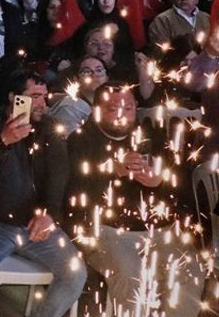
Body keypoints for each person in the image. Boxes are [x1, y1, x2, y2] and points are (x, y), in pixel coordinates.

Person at [65, 84, 204, 315]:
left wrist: (160, 181)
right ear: (97, 110)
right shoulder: (81, 140)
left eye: (128, 108)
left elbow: (182, 186)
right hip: (107, 230)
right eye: (113, 108)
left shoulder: (151, 137)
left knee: (189, 270)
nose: (122, 115)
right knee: (133, 277)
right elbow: (77, 194)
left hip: (158, 230)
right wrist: (114, 170)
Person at [0, 71, 86, 317]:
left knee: (76, 273)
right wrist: (1, 142)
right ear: (13, 97)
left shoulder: (50, 128)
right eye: (35, 97)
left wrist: (49, 215)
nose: (42, 103)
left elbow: (59, 175)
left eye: (44, 97)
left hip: (35, 224)